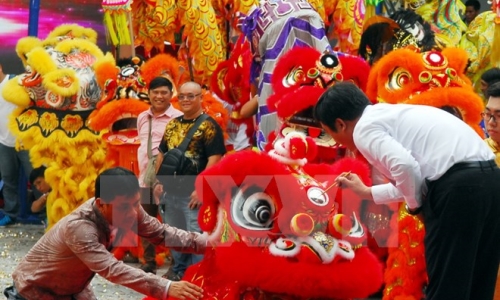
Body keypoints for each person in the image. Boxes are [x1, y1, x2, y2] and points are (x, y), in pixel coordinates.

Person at [314, 82, 500, 300]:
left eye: (328, 134)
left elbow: (405, 168)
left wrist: (416, 207)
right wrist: (367, 192)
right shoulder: (391, 114)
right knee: (480, 279)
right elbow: (415, 179)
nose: (335, 143)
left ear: (340, 124)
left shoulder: (364, 128)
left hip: (459, 189)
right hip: (491, 180)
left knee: (449, 283)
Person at [4, 167, 205, 300]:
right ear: (101, 204)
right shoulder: (80, 227)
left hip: (75, 289)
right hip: (35, 291)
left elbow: (161, 233)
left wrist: (208, 241)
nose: (133, 213)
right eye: (126, 207)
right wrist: (168, 287)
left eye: (136, 204)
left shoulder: (129, 206)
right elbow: (113, 270)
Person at [157, 81, 226, 281]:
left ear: (200, 98)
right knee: (173, 235)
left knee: (196, 237)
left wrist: (202, 188)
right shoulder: (172, 124)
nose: (185, 100)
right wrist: (159, 182)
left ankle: (198, 275)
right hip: (170, 192)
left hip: (193, 194)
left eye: (191, 96)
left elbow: (215, 160)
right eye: (182, 96)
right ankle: (179, 271)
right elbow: (163, 154)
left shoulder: (209, 125)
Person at [137, 76, 183, 274]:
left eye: (164, 92)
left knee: (172, 222)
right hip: (145, 178)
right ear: (149, 94)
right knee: (145, 220)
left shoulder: (179, 117)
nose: (159, 96)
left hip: (168, 180)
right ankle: (149, 262)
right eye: (155, 92)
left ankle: (175, 265)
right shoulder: (142, 117)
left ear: (171, 95)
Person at [0, 62, 35, 226]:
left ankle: (46, 213)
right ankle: (10, 214)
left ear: (1, 67)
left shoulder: (15, 82)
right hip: (4, 143)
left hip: (24, 141)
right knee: (8, 180)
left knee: (36, 178)